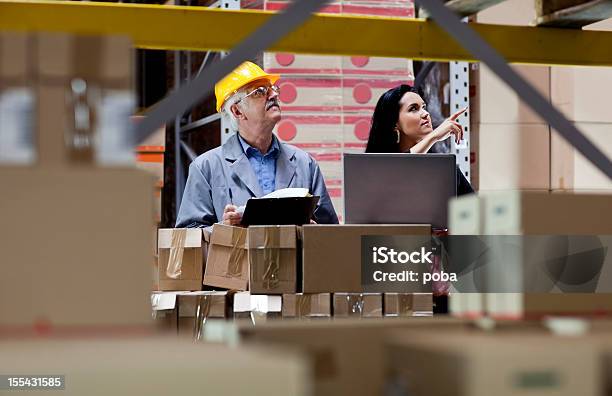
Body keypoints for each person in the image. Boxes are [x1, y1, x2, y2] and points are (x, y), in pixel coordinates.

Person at [176, 61, 338, 228]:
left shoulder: (305, 164)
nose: (273, 95)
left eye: (272, 89)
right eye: (260, 91)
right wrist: (223, 229)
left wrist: (312, 231)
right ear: (237, 111)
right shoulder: (205, 168)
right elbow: (188, 237)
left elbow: (331, 233)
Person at [365, 84, 473, 195]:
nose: (426, 114)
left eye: (424, 107)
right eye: (413, 109)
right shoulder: (378, 169)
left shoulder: (445, 169)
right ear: (395, 123)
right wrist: (433, 136)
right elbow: (397, 172)